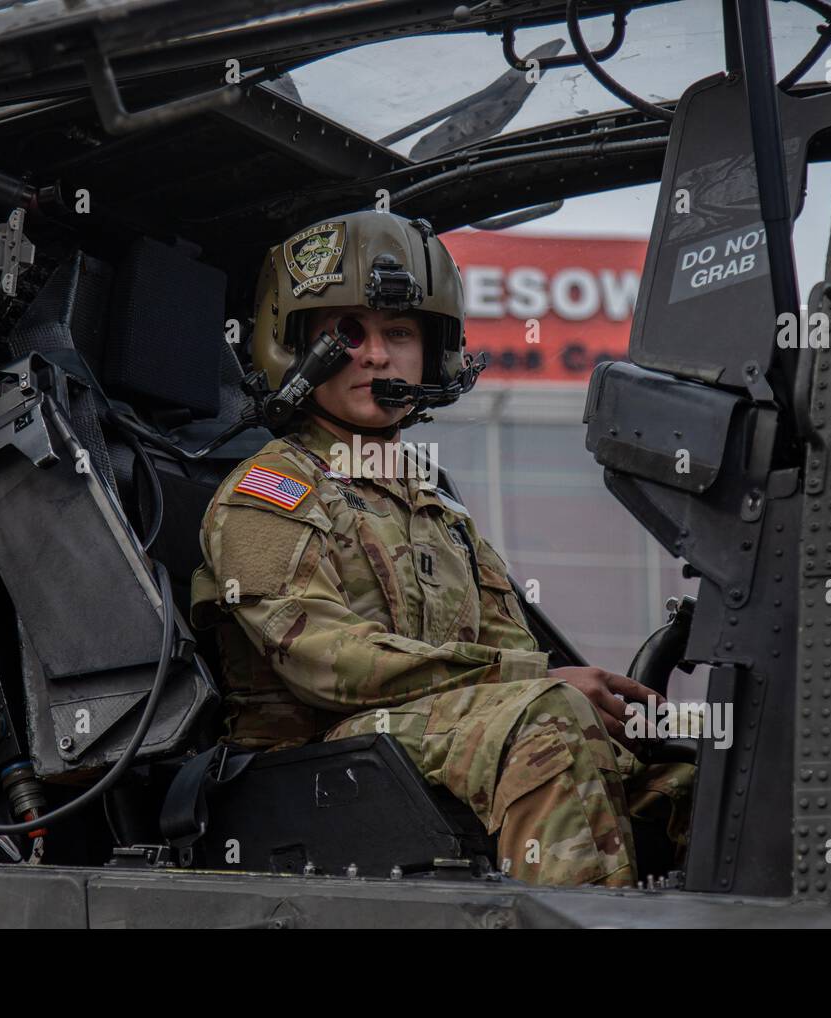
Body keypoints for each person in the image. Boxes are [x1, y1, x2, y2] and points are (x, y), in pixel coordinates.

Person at [190, 211, 693, 886]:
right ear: (295, 349)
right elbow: (326, 666)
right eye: (347, 334)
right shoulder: (268, 492)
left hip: (423, 741)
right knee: (545, 713)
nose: (375, 355)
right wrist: (535, 685)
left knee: (689, 773)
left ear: (433, 351)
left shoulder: (434, 506)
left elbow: (509, 651)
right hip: (311, 767)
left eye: (398, 333)